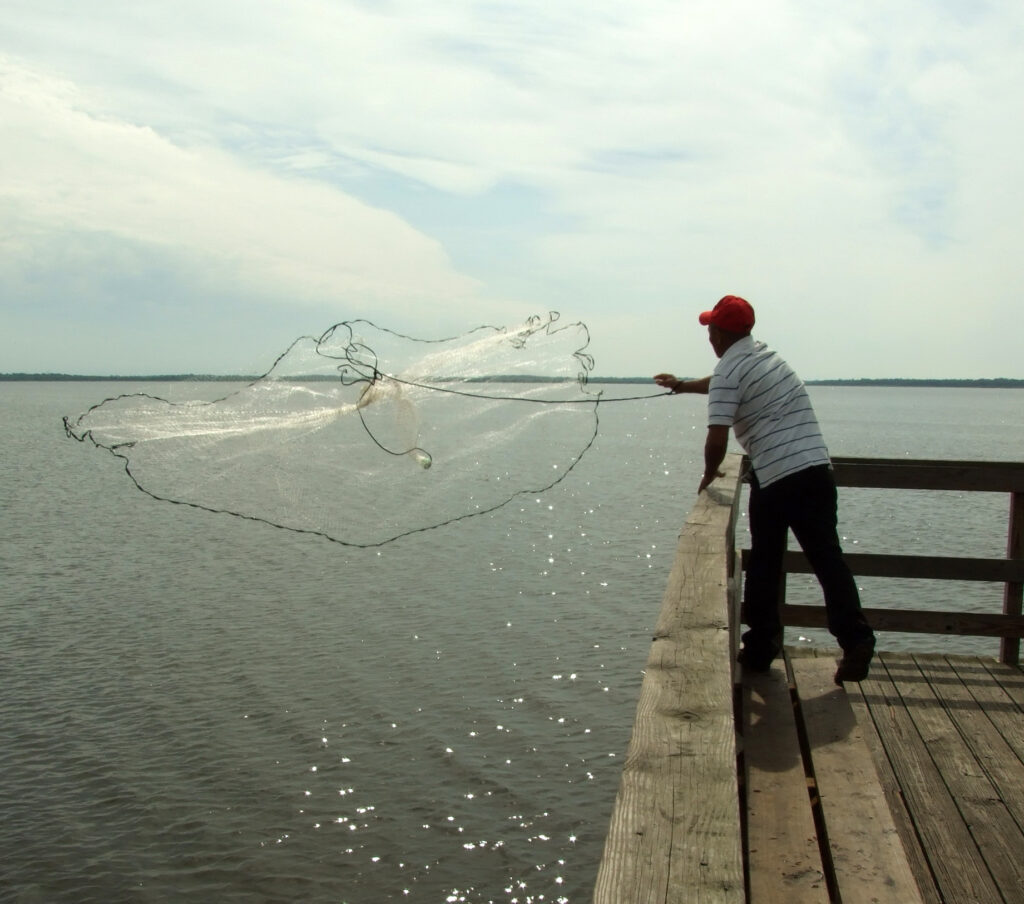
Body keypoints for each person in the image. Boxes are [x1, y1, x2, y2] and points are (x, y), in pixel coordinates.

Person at [654, 295, 875, 685]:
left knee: (765, 565)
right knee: (828, 560)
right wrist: (683, 386)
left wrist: (708, 475)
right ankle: (857, 639)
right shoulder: (767, 357)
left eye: (710, 329)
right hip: (816, 470)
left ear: (720, 334)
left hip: (776, 477)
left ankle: (759, 650)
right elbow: (725, 387)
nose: (708, 336)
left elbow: (717, 435)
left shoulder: (728, 371)